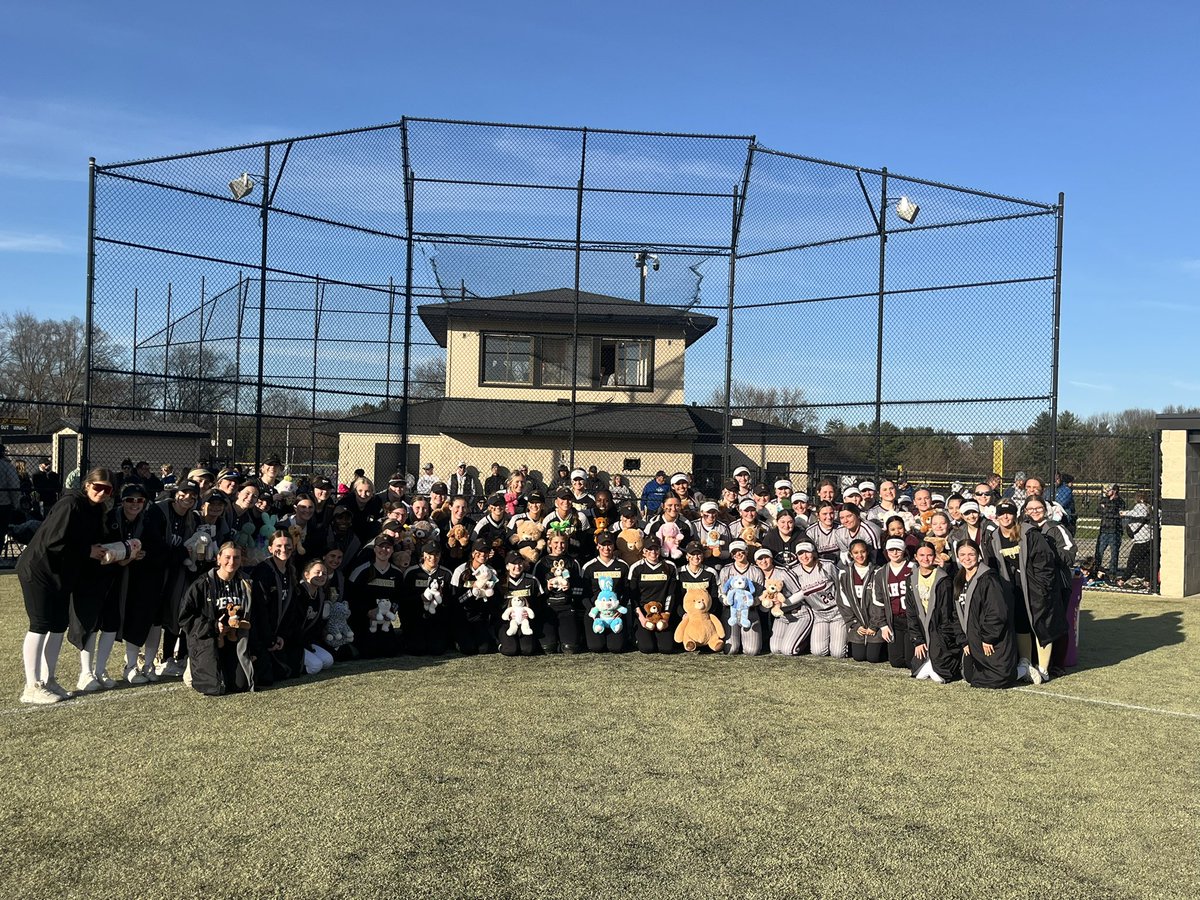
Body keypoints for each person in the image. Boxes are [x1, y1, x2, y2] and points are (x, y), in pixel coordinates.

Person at [16, 467, 112, 704]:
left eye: (107, 489)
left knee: (59, 625)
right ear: (87, 485)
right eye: (97, 486)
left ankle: (49, 680)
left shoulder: (96, 510)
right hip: (39, 569)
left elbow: (90, 543)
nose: (101, 492)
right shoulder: (70, 504)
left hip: (63, 572)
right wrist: (87, 550)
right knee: (40, 624)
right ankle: (31, 685)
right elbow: (53, 542)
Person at [989, 500, 1061, 685]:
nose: (1005, 516)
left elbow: (1045, 563)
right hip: (1013, 589)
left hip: (1035, 588)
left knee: (1040, 624)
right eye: (1002, 513)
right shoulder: (993, 537)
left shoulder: (1029, 534)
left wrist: (1043, 588)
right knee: (1021, 624)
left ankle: (1043, 668)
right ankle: (1025, 662)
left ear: (1015, 515)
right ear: (996, 516)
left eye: (1009, 512)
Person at [179, 542, 262, 695]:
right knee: (214, 687)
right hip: (209, 641)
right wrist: (213, 626)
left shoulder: (246, 584)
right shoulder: (202, 584)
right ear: (218, 559)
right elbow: (185, 617)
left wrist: (255, 648)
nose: (232, 562)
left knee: (239, 686)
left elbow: (255, 618)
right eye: (227, 557)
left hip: (235, 641)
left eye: (236, 557)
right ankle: (192, 664)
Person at [942, 540, 1017, 689]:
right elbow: (956, 613)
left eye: (971, 554)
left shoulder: (989, 578)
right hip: (972, 639)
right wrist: (963, 640)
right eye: (962, 554)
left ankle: (1022, 670)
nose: (967, 558)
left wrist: (988, 638)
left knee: (996, 681)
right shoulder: (959, 578)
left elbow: (997, 612)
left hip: (991, 639)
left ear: (979, 555)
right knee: (971, 677)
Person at [906, 543, 958, 683]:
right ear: (916, 557)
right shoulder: (911, 579)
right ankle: (929, 661)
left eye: (929, 555)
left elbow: (946, 614)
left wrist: (941, 640)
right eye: (922, 555)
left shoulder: (943, 579)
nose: (926, 558)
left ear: (934, 557)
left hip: (939, 629)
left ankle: (937, 661)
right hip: (922, 629)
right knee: (917, 673)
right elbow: (911, 611)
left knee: (940, 676)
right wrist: (917, 639)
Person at [399, 542, 453, 655]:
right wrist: (420, 598)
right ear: (423, 555)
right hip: (416, 619)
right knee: (417, 650)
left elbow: (451, 601)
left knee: (437, 650)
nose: (433, 558)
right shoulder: (412, 573)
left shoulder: (446, 573)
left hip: (436, 619)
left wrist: (442, 599)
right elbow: (403, 600)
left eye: (436, 554)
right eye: (429, 554)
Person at [534, 531, 584, 654]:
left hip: (566, 608)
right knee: (548, 649)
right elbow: (535, 592)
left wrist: (570, 588)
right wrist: (547, 589)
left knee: (570, 648)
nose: (559, 546)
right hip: (548, 608)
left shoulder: (573, 562)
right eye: (556, 542)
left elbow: (581, 590)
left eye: (563, 543)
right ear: (549, 543)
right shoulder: (541, 563)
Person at [628, 534, 679, 654]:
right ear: (644, 551)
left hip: (662, 614)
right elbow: (633, 596)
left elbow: (671, 594)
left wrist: (666, 615)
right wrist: (641, 618)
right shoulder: (636, 568)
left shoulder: (670, 566)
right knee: (647, 648)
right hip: (644, 614)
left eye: (656, 549)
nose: (653, 552)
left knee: (666, 648)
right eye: (649, 549)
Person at [836, 539, 884, 663]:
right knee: (859, 657)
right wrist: (854, 624)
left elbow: (879, 601)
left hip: (875, 622)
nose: (860, 555)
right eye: (856, 552)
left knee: (873, 658)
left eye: (862, 552)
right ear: (851, 554)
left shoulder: (878, 572)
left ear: (867, 552)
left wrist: (874, 625)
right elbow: (843, 602)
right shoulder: (844, 574)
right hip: (857, 623)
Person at [871, 537, 916, 672]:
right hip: (894, 620)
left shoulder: (913, 568)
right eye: (891, 550)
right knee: (896, 662)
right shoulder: (881, 573)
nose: (895, 553)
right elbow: (877, 601)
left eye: (898, 550)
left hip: (911, 619)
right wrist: (883, 626)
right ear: (886, 551)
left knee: (910, 661)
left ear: (904, 551)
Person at [793, 540, 843, 659]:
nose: (804, 556)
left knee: (838, 653)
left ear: (814, 552)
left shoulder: (827, 565)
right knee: (818, 651)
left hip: (837, 612)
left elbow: (841, 585)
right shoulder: (795, 572)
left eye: (807, 552)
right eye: (801, 553)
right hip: (818, 615)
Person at [449, 539, 500, 655]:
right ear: (473, 553)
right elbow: (454, 600)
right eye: (479, 552)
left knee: (484, 649)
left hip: (480, 616)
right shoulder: (460, 570)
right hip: (462, 615)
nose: (482, 555)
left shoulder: (491, 571)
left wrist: (488, 592)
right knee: (468, 649)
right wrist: (472, 591)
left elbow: (495, 599)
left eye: (486, 552)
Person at [580, 533, 629, 653]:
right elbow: (584, 594)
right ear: (597, 546)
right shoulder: (588, 567)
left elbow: (627, 591)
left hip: (615, 613)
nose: (606, 548)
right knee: (596, 647)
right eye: (603, 545)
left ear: (614, 546)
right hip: (595, 613)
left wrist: (619, 610)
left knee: (616, 648)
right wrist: (592, 611)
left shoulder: (622, 566)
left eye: (609, 544)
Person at [497, 552, 543, 656]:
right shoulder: (500, 582)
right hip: (507, 623)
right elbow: (495, 606)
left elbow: (540, 602)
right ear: (507, 566)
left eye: (520, 563)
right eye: (513, 563)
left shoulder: (532, 580)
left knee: (528, 650)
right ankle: (500, 643)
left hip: (525, 622)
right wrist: (507, 615)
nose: (517, 566)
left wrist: (529, 614)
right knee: (510, 650)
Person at [295, 558, 335, 675]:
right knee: (316, 666)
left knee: (328, 661)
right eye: (317, 572)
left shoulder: (320, 594)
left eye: (324, 573)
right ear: (306, 575)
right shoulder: (298, 592)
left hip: (307, 640)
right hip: (292, 641)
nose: (321, 575)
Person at [1120, 491, 1155, 586]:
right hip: (1150, 538)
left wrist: (1124, 513)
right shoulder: (1150, 507)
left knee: (1132, 561)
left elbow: (1140, 513)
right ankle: (1147, 581)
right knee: (1147, 561)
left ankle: (1122, 580)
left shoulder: (1141, 506)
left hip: (1141, 540)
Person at [1095, 484, 1124, 575]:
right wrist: (1109, 510)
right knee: (1099, 551)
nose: (1106, 491)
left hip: (1115, 530)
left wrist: (1107, 509)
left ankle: (1112, 572)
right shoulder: (1104, 499)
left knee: (1114, 552)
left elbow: (1118, 514)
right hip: (1104, 529)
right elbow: (1099, 510)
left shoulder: (1120, 501)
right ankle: (1096, 568)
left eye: (1109, 490)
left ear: (1114, 491)